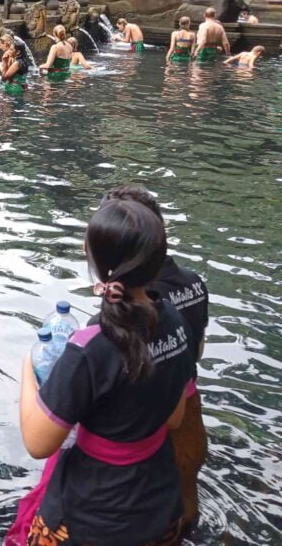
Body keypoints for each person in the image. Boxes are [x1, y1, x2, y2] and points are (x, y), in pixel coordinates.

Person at [9, 199, 191, 546]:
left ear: (94, 262)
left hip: (93, 516)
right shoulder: (175, 322)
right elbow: (174, 419)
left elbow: (37, 442)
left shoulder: (89, 347)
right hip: (158, 506)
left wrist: (28, 368)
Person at [101, 185, 209, 532]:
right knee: (185, 509)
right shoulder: (194, 283)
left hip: (149, 423)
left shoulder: (138, 302)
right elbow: (200, 350)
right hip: (190, 408)